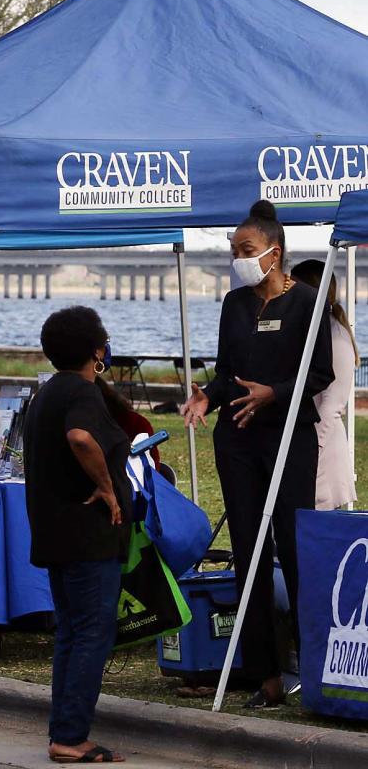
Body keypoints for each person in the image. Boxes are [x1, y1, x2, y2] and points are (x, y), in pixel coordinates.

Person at [181, 200, 333, 709]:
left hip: (288, 437)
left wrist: (274, 393)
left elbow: (321, 375)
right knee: (249, 554)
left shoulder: (307, 302)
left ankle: (314, 669)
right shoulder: (235, 303)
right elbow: (227, 373)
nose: (238, 259)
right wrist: (207, 395)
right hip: (238, 442)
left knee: (293, 550)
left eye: (246, 250)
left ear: (275, 252)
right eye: (233, 251)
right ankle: (263, 674)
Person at [23, 306, 131, 765]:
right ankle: (70, 737)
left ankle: (63, 729)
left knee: (71, 631)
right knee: (92, 632)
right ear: (98, 350)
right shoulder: (82, 394)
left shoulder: (47, 393)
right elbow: (82, 438)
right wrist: (107, 487)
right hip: (88, 534)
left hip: (55, 529)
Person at [292, 259, 358, 510]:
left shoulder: (336, 336)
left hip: (322, 446)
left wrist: (311, 449)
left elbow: (333, 404)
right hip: (307, 442)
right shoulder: (312, 330)